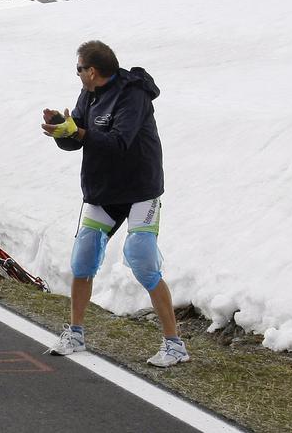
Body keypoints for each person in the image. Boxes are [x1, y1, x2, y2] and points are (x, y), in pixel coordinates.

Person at [40, 40, 188, 368]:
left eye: (79, 68)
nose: (77, 74)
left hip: (139, 190)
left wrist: (78, 133)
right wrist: (62, 131)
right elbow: (78, 138)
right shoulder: (89, 94)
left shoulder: (132, 95)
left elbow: (119, 142)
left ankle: (175, 345)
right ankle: (76, 333)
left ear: (92, 71)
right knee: (83, 258)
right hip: (104, 191)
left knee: (143, 259)